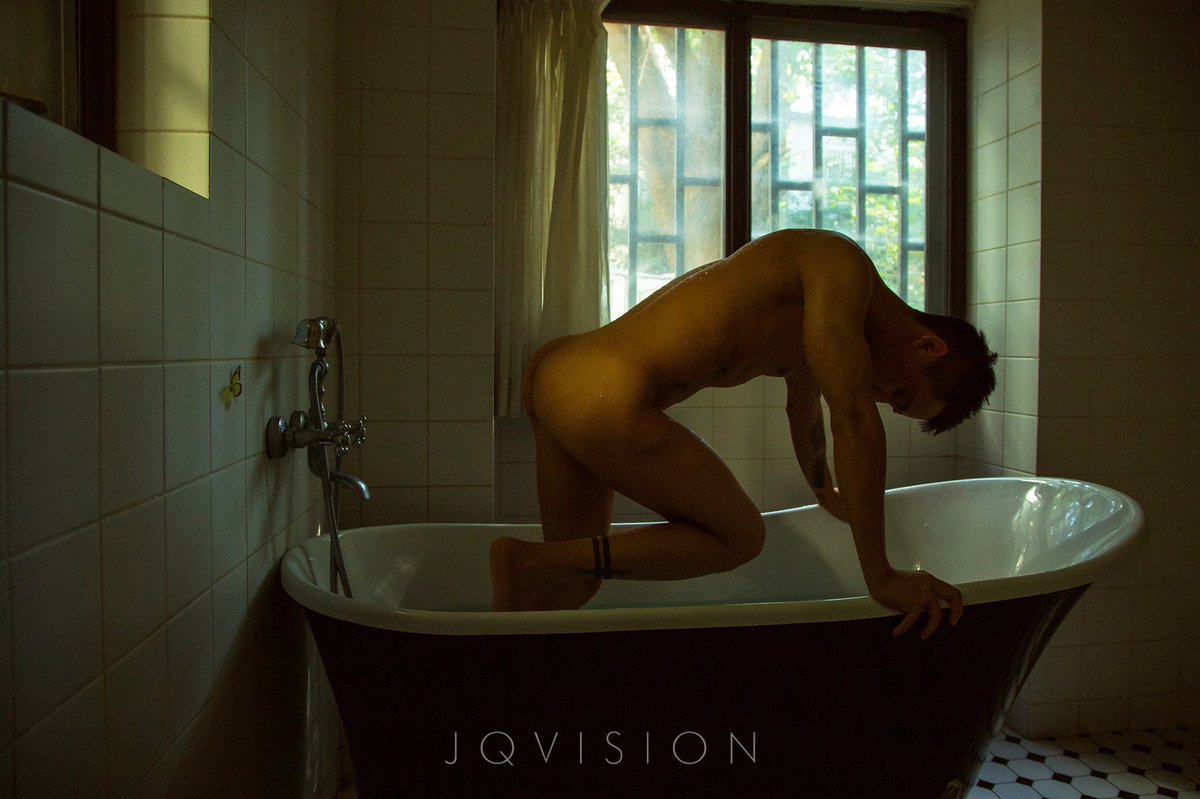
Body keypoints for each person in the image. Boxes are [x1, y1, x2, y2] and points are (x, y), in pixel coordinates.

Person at [490, 228, 997, 638]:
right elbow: (854, 418)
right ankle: (527, 560)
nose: (883, 397)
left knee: (569, 586)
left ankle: (496, 689)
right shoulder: (841, 268)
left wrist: (824, 490)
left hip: (563, 374)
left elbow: (804, 410)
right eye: (900, 395)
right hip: (601, 392)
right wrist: (881, 577)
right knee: (741, 536)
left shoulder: (826, 320)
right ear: (928, 347)